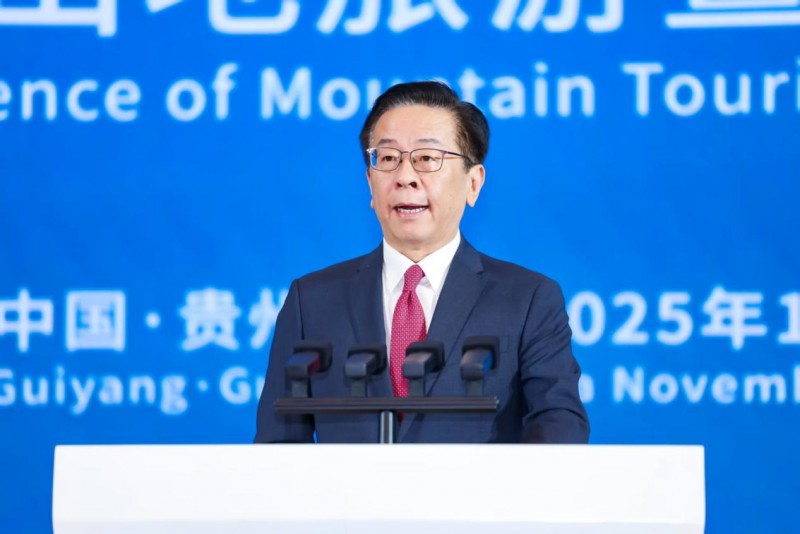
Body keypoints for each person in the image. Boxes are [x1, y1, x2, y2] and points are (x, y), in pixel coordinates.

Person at [255, 81, 589, 443]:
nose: (404, 177)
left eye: (427, 158)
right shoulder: (311, 301)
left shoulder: (528, 300)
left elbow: (559, 429)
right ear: (370, 182)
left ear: (473, 183)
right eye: (387, 159)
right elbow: (278, 446)